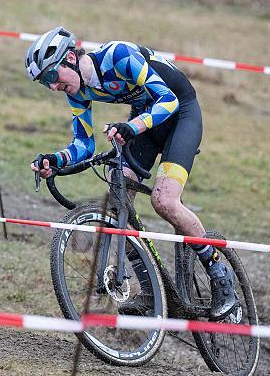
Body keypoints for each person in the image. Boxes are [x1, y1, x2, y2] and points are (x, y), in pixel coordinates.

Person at [25, 27, 237, 320]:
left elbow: (168, 100)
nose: (52, 86)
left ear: (71, 57)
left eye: (51, 76)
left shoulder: (117, 56)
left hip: (180, 114)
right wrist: (55, 160)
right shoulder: (78, 92)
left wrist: (131, 127)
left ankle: (220, 273)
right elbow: (83, 145)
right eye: (44, 82)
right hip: (145, 121)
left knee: (164, 201)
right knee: (117, 201)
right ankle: (150, 292)